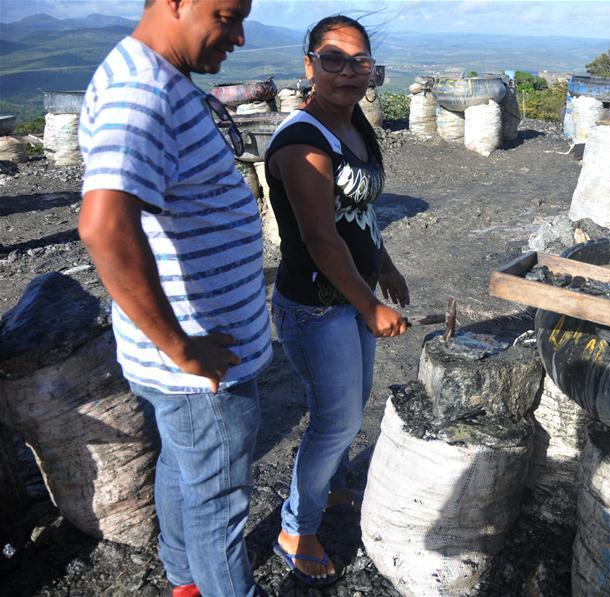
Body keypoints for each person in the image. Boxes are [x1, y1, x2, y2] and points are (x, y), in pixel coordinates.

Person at [77, 1, 270, 596]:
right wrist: (182, 347)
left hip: (181, 359)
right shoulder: (142, 90)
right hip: (202, 367)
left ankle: (185, 580)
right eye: (226, 15)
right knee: (220, 506)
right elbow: (104, 225)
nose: (237, 36)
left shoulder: (155, 75)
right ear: (175, 3)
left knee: (184, 469)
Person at [263, 15, 409, 586]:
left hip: (353, 292)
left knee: (352, 405)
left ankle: (337, 484)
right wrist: (370, 305)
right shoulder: (302, 142)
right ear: (309, 66)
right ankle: (296, 527)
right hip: (315, 304)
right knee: (336, 418)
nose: (349, 71)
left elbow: (361, 214)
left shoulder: (356, 126)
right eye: (333, 59)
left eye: (360, 61)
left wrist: (385, 264)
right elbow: (321, 238)